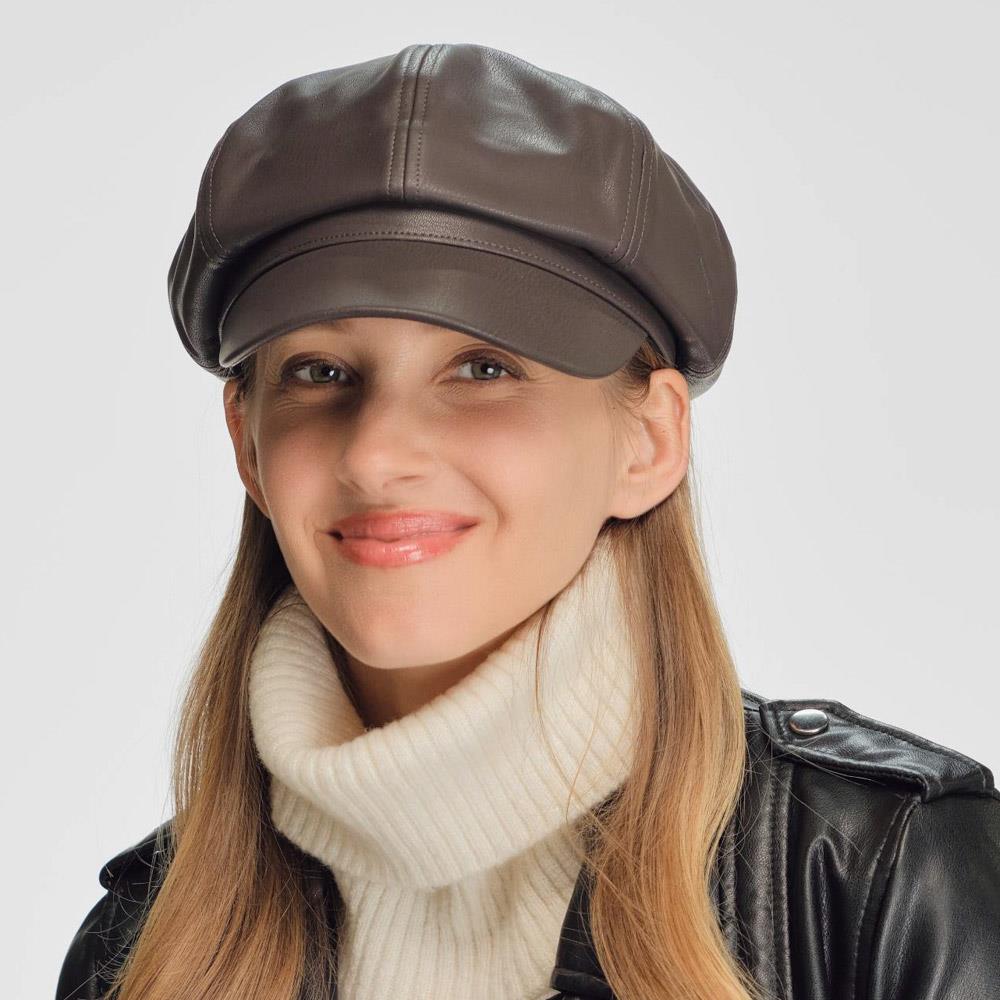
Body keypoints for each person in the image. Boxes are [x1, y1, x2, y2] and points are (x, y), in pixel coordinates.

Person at [56, 42, 1000, 1000]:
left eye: (483, 368)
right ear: (248, 444)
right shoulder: (140, 952)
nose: (374, 453)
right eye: (320, 372)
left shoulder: (885, 879)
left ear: (648, 441)